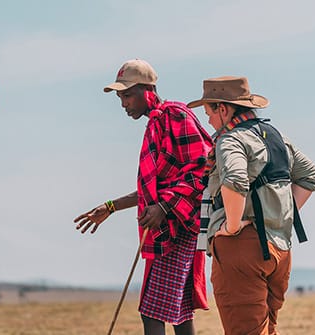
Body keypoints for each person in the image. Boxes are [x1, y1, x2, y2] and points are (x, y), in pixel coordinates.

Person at [74, 59, 213, 335]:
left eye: (127, 95)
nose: (123, 103)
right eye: (120, 97)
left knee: (151, 313)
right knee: (180, 314)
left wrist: (164, 206)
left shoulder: (175, 116)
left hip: (179, 229)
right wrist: (111, 206)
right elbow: (154, 190)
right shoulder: (155, 125)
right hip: (168, 229)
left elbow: (203, 169)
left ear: (147, 90)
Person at [187, 76, 315, 335]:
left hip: (242, 249)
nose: (209, 121)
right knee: (266, 330)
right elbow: (310, 178)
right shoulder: (275, 136)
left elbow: (235, 179)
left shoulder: (230, 140)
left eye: (209, 113)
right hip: (280, 248)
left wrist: (232, 225)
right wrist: (278, 215)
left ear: (223, 109)